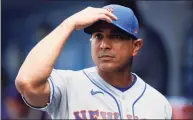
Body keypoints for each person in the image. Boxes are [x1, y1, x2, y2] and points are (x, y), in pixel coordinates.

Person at [15, 4, 172, 119]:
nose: (104, 45)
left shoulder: (159, 104)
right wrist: (70, 23)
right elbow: (26, 82)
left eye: (116, 36)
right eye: (98, 36)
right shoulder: (68, 85)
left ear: (136, 46)